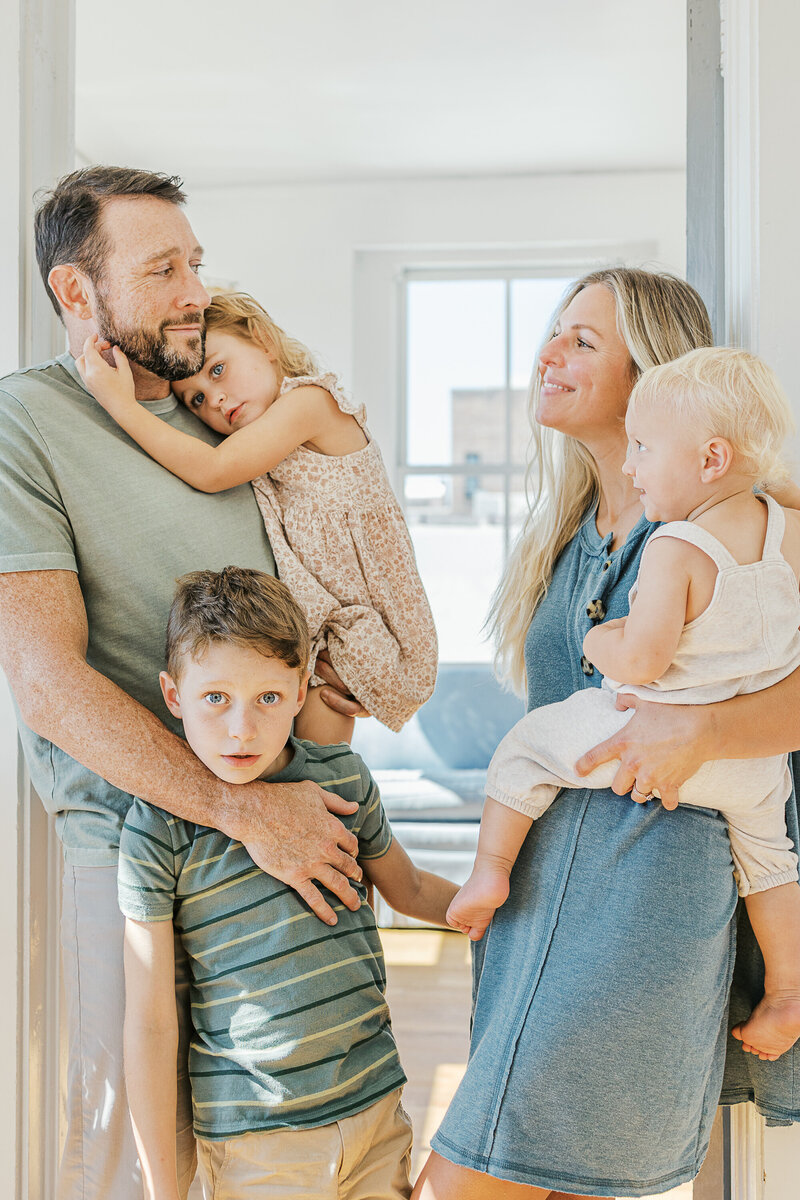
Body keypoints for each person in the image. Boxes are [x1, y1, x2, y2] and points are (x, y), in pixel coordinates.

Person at [0, 166, 365, 1200]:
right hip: (137, 853)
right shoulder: (21, 425)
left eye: (194, 263)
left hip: (298, 833)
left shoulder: (230, 417)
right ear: (78, 294)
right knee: (133, 1152)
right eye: (160, 269)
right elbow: (44, 680)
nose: (193, 290)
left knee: (307, 1142)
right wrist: (233, 811)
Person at [411, 269, 800, 1200]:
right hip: (540, 905)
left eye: (584, 339)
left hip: (647, 905)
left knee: (469, 1181)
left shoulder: (755, 528)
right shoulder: (568, 533)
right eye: (554, 331)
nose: (549, 353)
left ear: (657, 376)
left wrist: (703, 730)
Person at [447, 346, 800, 1062]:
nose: (632, 467)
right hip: (755, 762)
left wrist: (601, 639)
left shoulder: (677, 544)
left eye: (643, 448)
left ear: (709, 461)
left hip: (645, 730)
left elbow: (644, 658)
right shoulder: (788, 530)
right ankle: (790, 987)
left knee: (523, 750)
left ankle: (488, 868)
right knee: (771, 860)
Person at [119, 566, 457, 1200]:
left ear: (302, 691)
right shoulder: (158, 830)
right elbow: (150, 1020)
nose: (240, 729)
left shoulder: (343, 780)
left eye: (267, 698)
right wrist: (161, 1187)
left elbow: (408, 889)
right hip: (256, 1140)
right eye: (215, 698)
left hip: (375, 1109)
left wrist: (508, 902)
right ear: (173, 696)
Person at [76, 289, 438, 745]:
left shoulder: (310, 403)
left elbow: (212, 470)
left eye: (218, 369)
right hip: (332, 632)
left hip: (374, 624)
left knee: (317, 765)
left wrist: (120, 405)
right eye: (196, 400)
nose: (216, 400)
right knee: (296, 758)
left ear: (264, 341)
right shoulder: (265, 441)